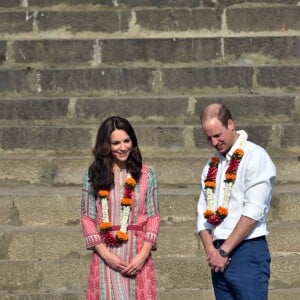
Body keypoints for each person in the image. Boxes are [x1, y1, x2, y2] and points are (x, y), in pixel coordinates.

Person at [196, 103, 276, 300]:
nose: (214, 142)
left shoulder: (255, 156)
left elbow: (253, 211)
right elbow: (202, 213)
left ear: (230, 124)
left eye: (218, 135)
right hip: (217, 254)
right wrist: (211, 251)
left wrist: (223, 252)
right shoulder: (211, 165)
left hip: (246, 250)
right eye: (209, 138)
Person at [81, 116, 160, 300]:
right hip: (105, 255)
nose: (122, 147)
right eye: (115, 143)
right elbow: (87, 218)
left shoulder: (146, 173)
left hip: (138, 255)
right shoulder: (93, 174)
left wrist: (143, 255)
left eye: (127, 141)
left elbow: (154, 216)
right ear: (106, 145)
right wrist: (106, 255)